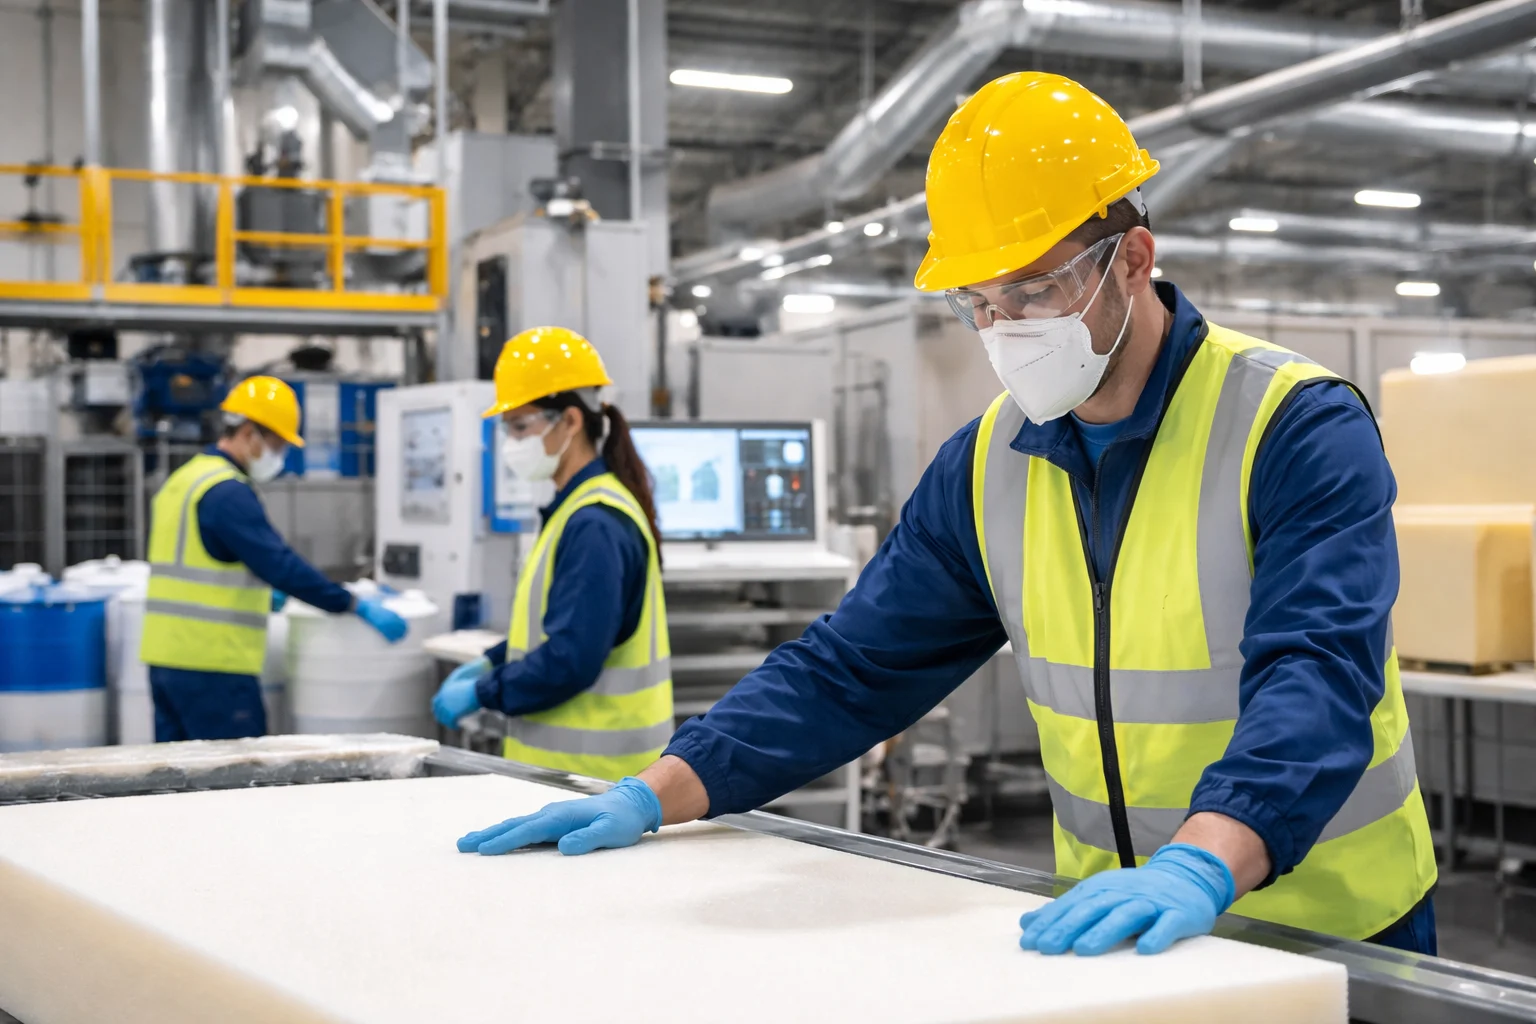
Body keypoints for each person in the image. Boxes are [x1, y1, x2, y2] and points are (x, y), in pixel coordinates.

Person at [455, 74, 1438, 956]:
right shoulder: (986, 465)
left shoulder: (1291, 426)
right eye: (981, 301)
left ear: (1132, 257)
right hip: (1109, 935)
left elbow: (1316, 672)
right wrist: (657, 789)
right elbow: (850, 670)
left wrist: (1205, 862)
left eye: (1037, 287)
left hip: (1334, 934)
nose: (1008, 327)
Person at [430, 326, 674, 781]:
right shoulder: (577, 511)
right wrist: (495, 659)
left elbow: (570, 660)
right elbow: (558, 627)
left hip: (593, 778)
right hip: (577, 778)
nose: (512, 442)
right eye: (508, 428)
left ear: (572, 421)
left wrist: (485, 691)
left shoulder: (594, 524)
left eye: (522, 426)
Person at [140, 376, 408, 741]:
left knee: (177, 783)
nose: (278, 456)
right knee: (234, 785)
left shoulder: (183, 480)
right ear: (249, 433)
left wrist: (262, 596)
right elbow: (281, 565)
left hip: (165, 660)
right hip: (214, 666)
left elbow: (204, 560)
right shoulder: (227, 492)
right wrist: (350, 602)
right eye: (277, 444)